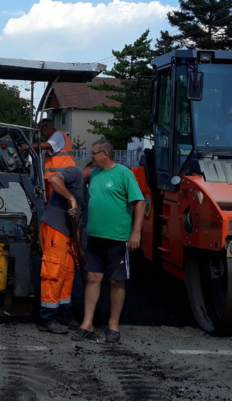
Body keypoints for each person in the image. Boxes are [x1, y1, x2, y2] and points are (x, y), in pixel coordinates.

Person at [70, 140, 145, 344]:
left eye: (94, 153)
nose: (91, 156)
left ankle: (113, 325)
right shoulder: (94, 173)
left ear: (105, 154)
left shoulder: (124, 173)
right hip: (95, 236)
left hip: (118, 237)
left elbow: (139, 202)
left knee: (116, 281)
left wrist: (136, 232)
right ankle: (87, 323)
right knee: (93, 277)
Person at [37, 165, 86, 334]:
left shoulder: (87, 188)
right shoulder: (75, 172)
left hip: (67, 236)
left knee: (67, 274)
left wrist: (78, 247)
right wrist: (70, 197)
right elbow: (53, 179)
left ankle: (63, 315)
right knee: (54, 273)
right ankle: (46, 319)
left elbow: (78, 221)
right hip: (55, 230)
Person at [19, 119, 76, 197]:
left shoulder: (58, 135)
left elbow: (48, 145)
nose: (41, 133)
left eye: (41, 130)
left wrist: (28, 147)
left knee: (56, 204)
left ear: (47, 126)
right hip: (53, 179)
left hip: (60, 178)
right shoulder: (52, 138)